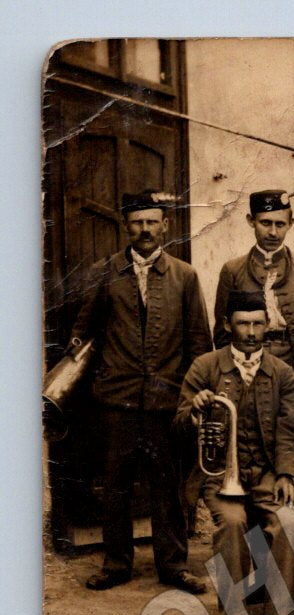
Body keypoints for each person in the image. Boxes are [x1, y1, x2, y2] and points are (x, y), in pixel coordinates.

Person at [70, 190, 212, 593]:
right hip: (117, 400)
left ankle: (174, 566)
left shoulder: (185, 276)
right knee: (115, 486)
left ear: (165, 225)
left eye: (152, 221)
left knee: (168, 487)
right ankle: (116, 565)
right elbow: (82, 332)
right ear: (126, 226)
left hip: (168, 403)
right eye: (137, 222)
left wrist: (195, 395)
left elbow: (199, 342)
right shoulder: (105, 272)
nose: (145, 229)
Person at [177, 290, 294, 615]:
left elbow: (289, 429)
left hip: (266, 471)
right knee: (232, 526)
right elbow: (177, 425)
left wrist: (286, 474)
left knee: (288, 521)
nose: (251, 332)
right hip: (219, 475)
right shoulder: (205, 367)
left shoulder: (283, 373)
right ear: (227, 325)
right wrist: (195, 410)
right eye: (243, 324)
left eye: (257, 324)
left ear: (268, 325)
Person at [213, 189, 294, 366]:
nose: (273, 232)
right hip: (248, 361)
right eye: (265, 223)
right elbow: (223, 332)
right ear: (251, 221)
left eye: (280, 224)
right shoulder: (233, 270)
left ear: (291, 223)